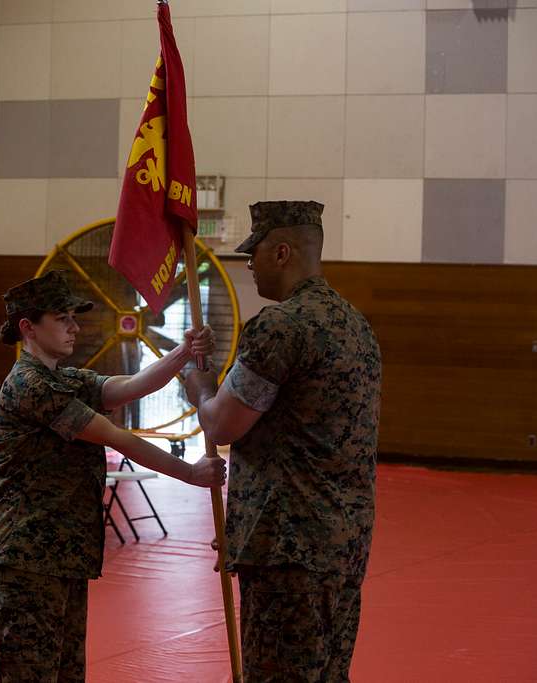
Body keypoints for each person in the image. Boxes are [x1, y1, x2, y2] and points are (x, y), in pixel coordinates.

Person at [0, 270, 226, 683]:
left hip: (58, 555)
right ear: (28, 328)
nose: (75, 327)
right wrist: (190, 473)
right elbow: (116, 437)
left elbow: (127, 387)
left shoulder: (62, 378)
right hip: (24, 556)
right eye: (62, 318)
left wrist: (182, 353)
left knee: (66, 673)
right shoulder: (30, 385)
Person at [183, 201, 382, 682]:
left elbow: (223, 425)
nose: (249, 267)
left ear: (283, 252)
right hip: (342, 542)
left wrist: (199, 387)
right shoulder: (356, 326)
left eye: (254, 257)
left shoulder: (280, 326)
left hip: (286, 550)